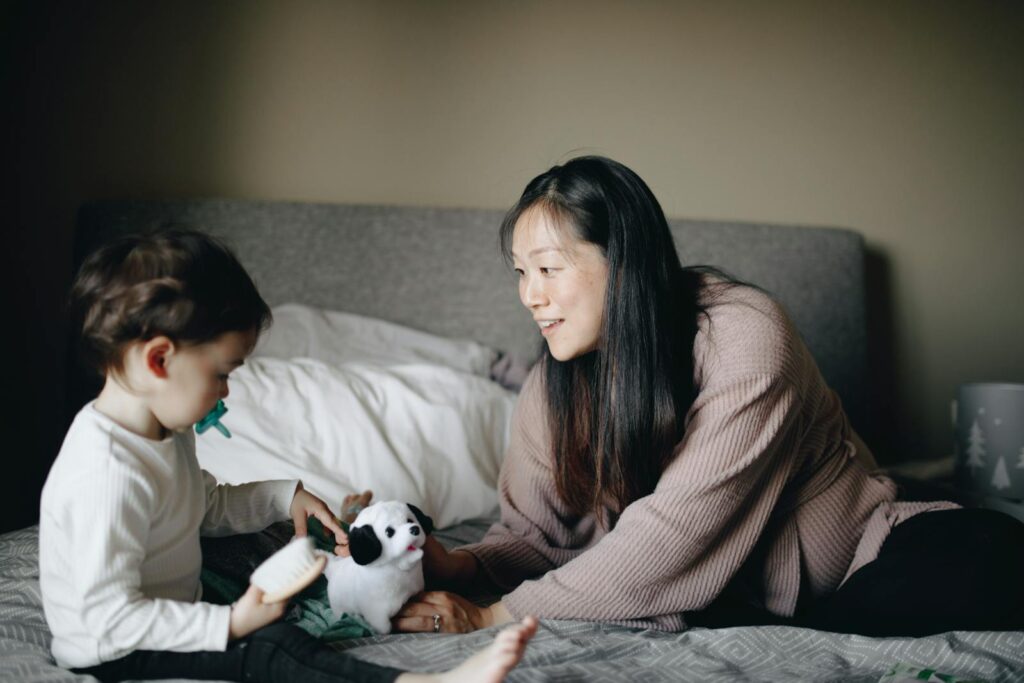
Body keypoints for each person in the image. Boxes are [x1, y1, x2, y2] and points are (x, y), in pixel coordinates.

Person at [395, 155, 1024, 638]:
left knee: (988, 567)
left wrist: (494, 618)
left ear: (624, 262)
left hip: (877, 559)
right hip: (747, 606)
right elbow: (536, 539)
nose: (530, 295)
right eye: (520, 272)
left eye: (549, 268)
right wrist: (466, 569)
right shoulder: (552, 382)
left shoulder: (744, 333)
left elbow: (672, 533)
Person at [39, 229, 537, 683]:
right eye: (222, 374)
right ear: (159, 359)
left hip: (172, 610)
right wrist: (230, 623)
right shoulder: (105, 473)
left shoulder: (164, 432)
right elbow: (105, 621)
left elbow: (202, 503)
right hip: (120, 650)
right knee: (273, 649)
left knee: (272, 559)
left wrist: (285, 497)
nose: (227, 392)